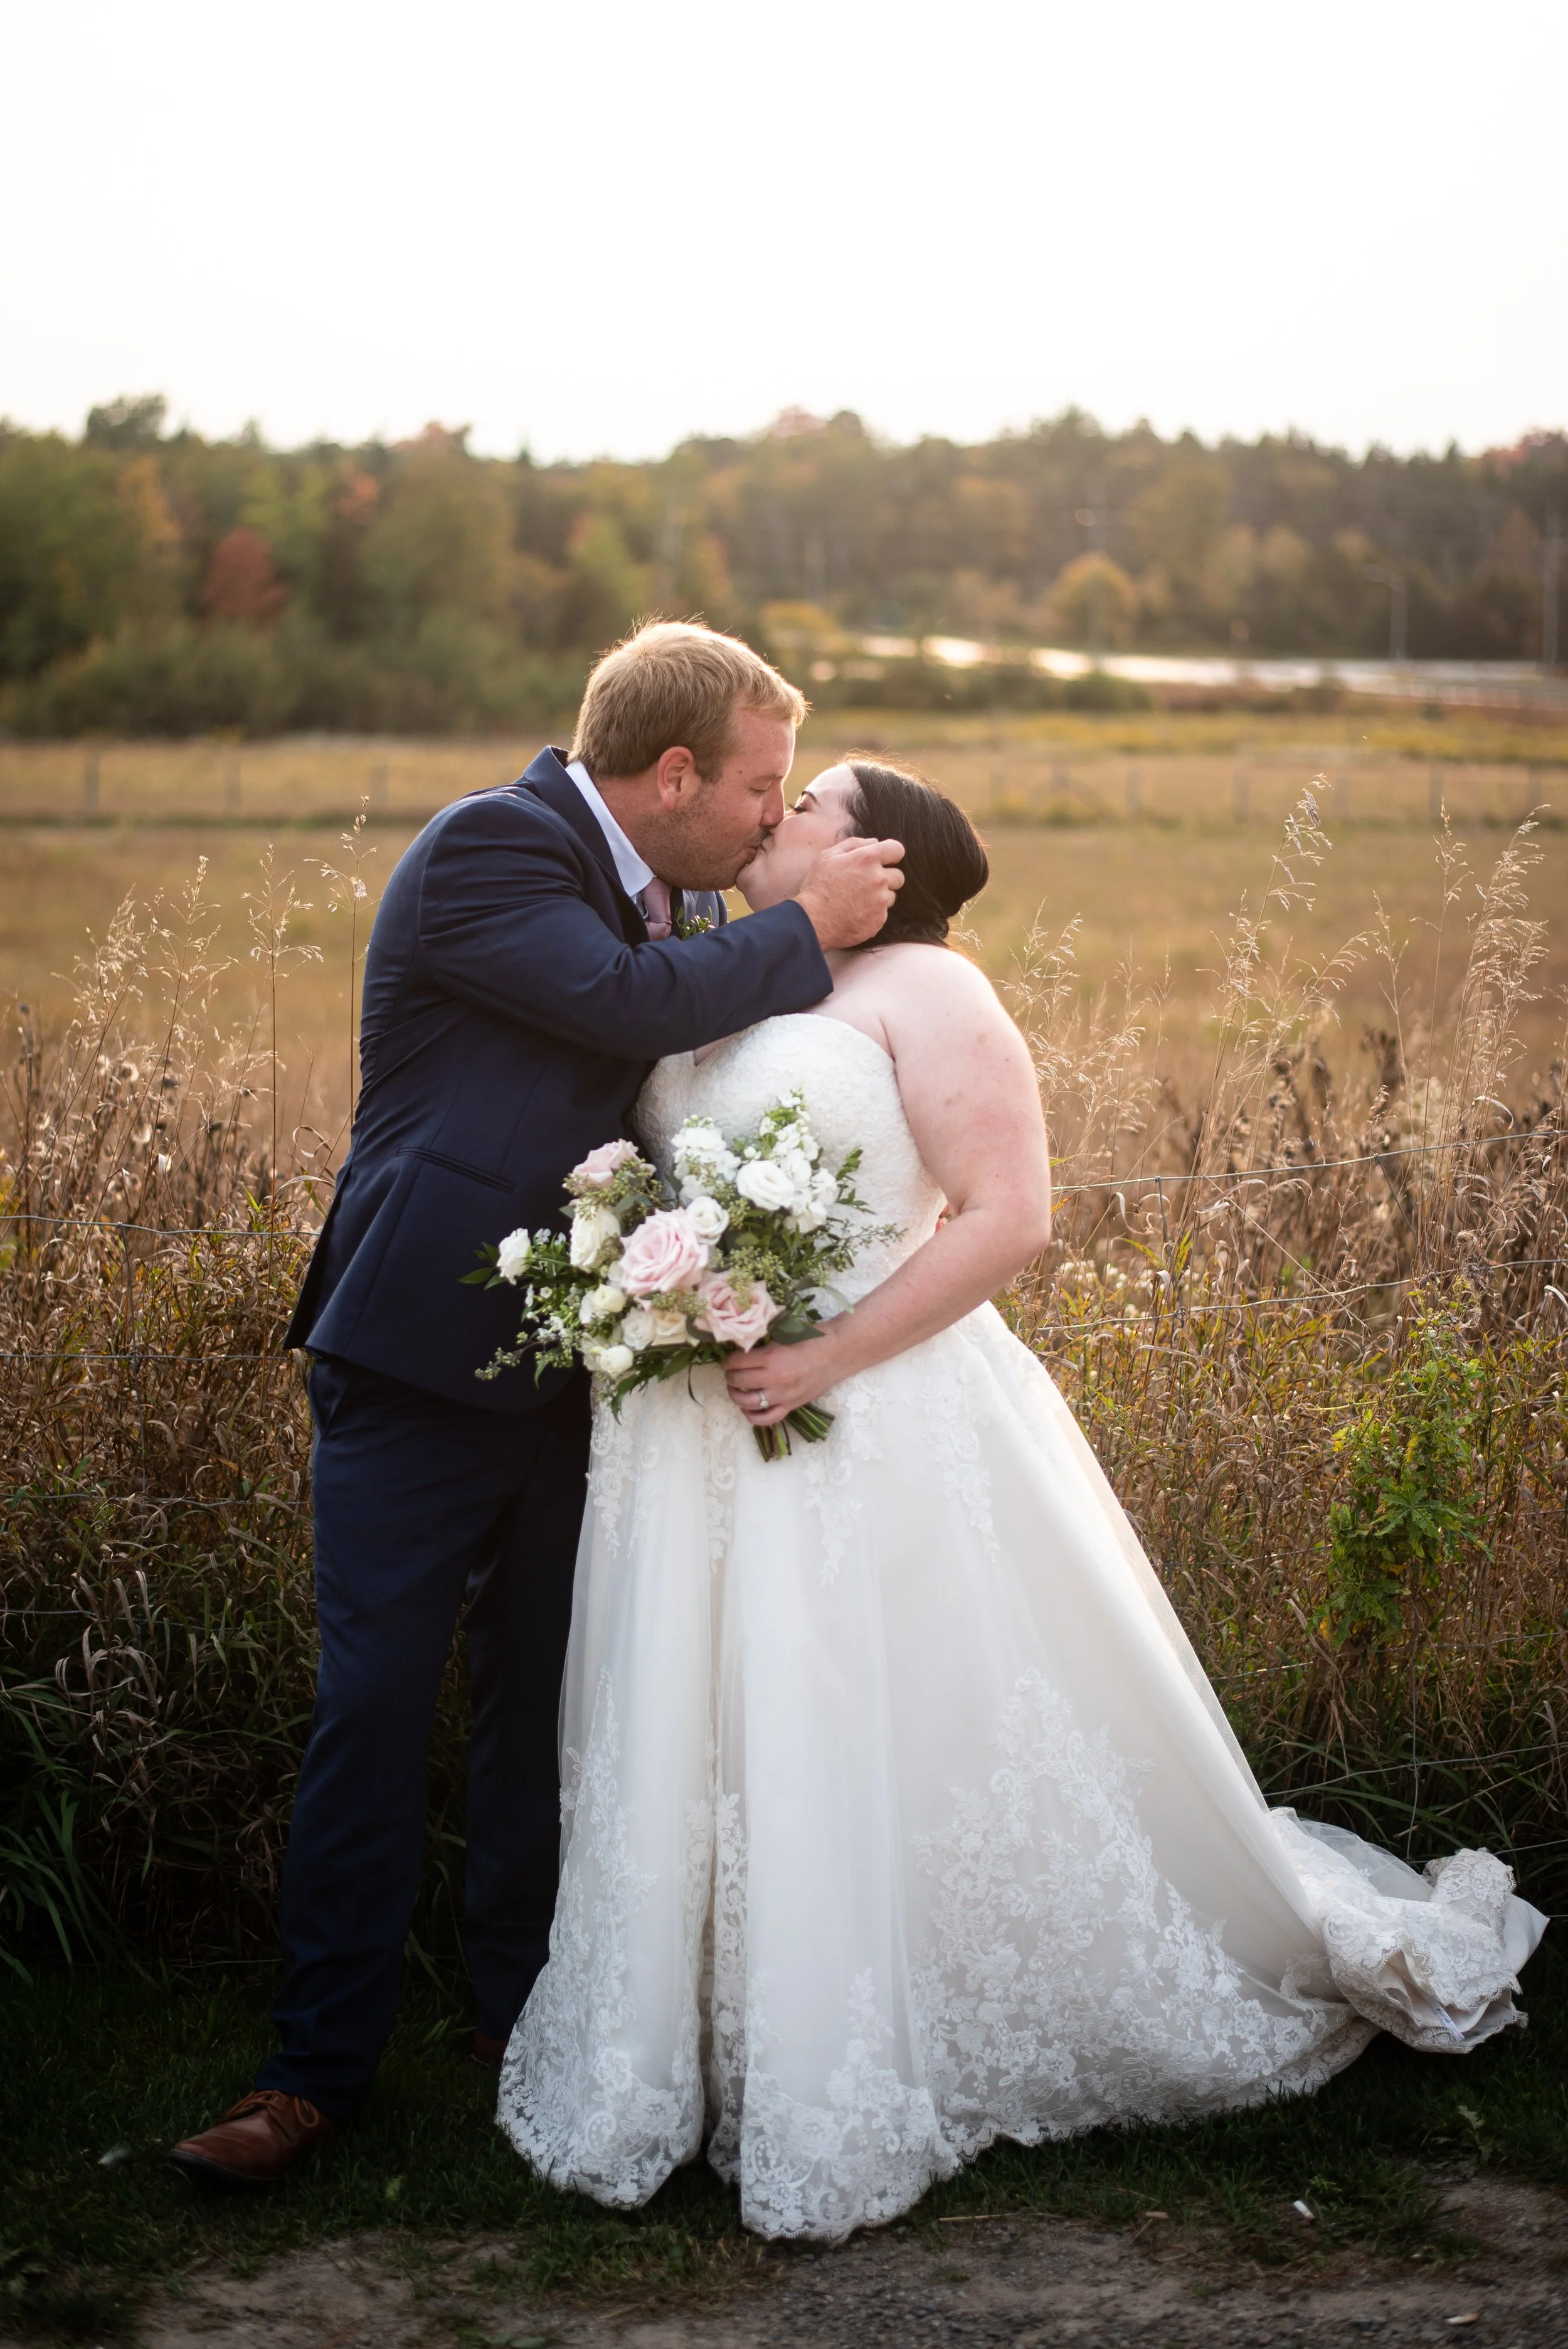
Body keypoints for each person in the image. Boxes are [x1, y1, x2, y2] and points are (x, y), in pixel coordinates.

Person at [499, 758, 1548, 2244]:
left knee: (871, 1715)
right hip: (691, 1437)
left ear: (874, 856)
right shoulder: (717, 980)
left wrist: (819, 1359)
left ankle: (875, 2036)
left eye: (804, 804)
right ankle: (693, 2034)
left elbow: (1011, 1217)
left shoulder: (929, 989)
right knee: (708, 1721)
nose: (772, 816)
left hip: (869, 1408)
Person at [169, 626, 906, 2187]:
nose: (774, 824)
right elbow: (620, 1003)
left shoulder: (684, 899)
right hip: (412, 1359)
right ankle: (309, 2075)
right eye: (759, 790)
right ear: (674, 772)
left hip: (585, 1373)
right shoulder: (492, 846)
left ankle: (525, 2020)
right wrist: (807, 922)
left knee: (541, 1712)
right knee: (373, 1708)